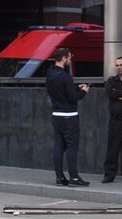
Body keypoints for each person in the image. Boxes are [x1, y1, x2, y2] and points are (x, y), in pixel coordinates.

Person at [46, 48, 90, 186]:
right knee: (72, 147)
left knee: (58, 147)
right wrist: (83, 92)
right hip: (69, 116)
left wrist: (75, 87)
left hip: (56, 115)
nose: (70, 60)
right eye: (69, 58)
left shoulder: (50, 73)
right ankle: (74, 178)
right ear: (64, 58)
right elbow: (72, 98)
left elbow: (63, 91)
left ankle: (59, 177)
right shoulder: (65, 76)